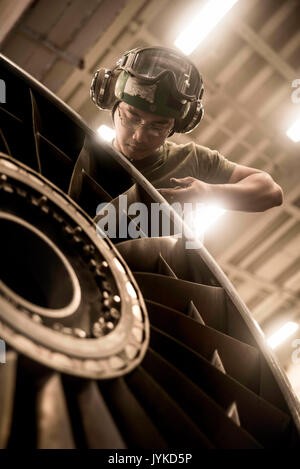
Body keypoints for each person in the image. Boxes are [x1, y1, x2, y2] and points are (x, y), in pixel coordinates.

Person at [90, 46, 283, 213]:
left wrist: (210, 193)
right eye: (131, 117)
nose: (139, 136)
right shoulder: (85, 154)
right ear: (113, 105)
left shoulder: (192, 160)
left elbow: (271, 192)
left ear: (176, 126)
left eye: (158, 126)